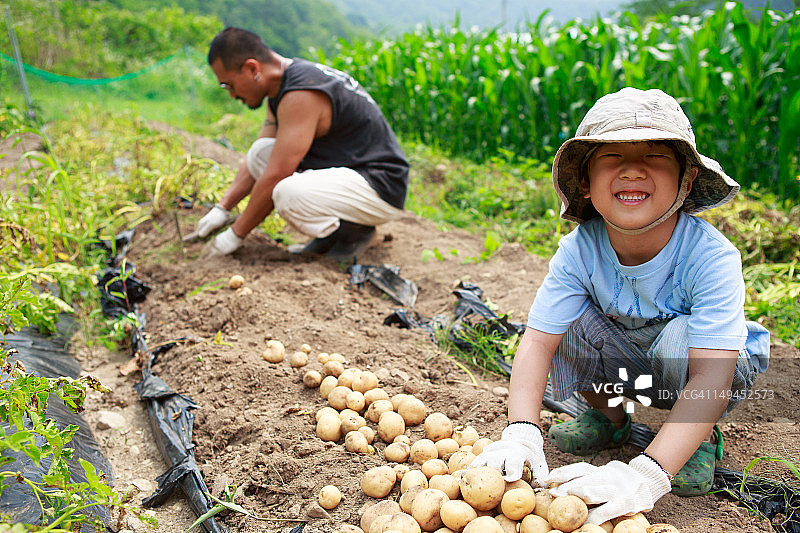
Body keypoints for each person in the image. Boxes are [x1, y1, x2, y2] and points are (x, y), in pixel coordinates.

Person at [471, 87, 770, 525]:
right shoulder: (578, 251)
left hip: (706, 366)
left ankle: (697, 438)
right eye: (612, 157)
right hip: (629, 353)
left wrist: (646, 475)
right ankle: (610, 415)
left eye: (655, 156)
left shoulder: (710, 257)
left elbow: (713, 373)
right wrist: (520, 431)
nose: (633, 169)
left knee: (680, 338)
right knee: (565, 320)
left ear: (686, 181)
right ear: (587, 185)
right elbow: (537, 342)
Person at [196, 27, 409, 262]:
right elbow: (260, 160)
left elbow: (277, 174)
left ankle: (353, 231)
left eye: (229, 85)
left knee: (288, 193)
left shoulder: (302, 92)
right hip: (349, 172)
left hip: (381, 184)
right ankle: (333, 233)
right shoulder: (282, 87)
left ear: (252, 68)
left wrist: (234, 236)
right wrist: (222, 208)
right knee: (259, 153)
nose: (232, 95)